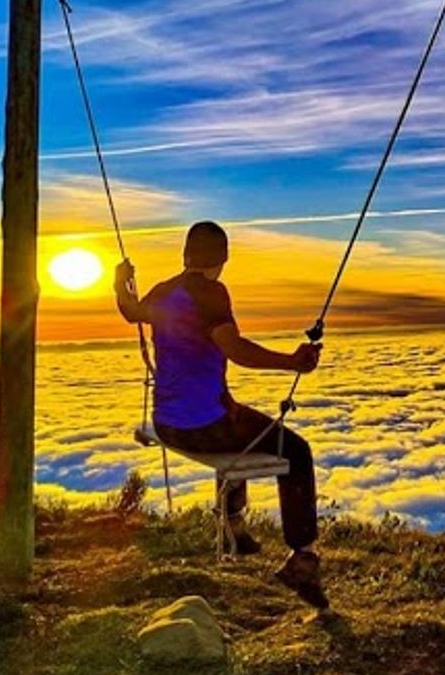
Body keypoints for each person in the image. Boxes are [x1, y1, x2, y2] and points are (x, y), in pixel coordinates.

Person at [114, 220, 328, 609]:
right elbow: (235, 349)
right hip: (203, 427)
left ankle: (235, 523)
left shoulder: (164, 291)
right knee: (296, 450)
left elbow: (131, 311)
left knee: (236, 416)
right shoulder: (211, 294)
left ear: (185, 255)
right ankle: (301, 556)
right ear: (224, 259)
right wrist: (292, 362)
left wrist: (119, 283)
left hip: (168, 423)